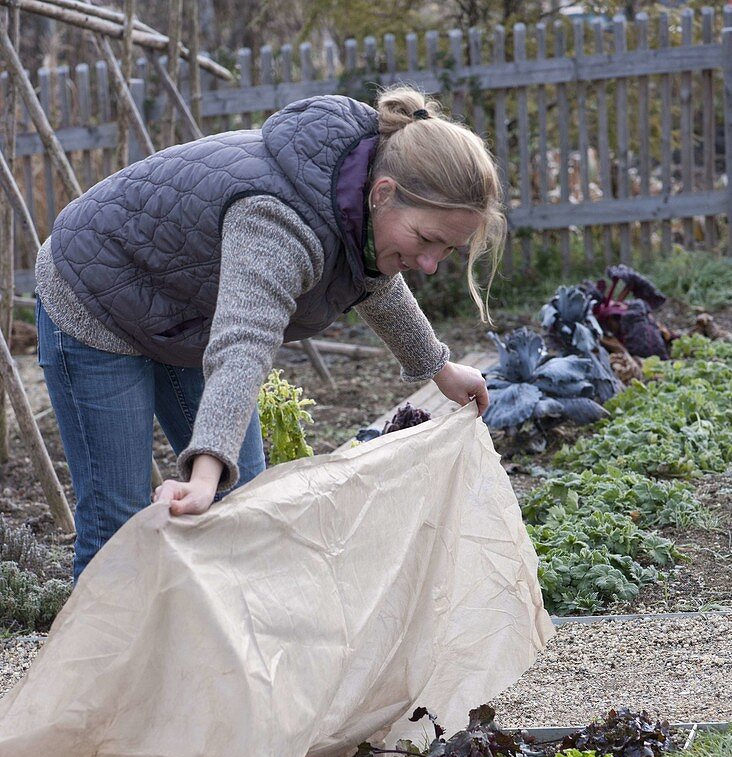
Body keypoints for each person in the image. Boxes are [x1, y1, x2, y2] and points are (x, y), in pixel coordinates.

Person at [35, 85, 505, 582]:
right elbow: (244, 342)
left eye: (447, 250)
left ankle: (216, 656)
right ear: (383, 193)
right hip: (96, 294)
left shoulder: (358, 197)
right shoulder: (279, 220)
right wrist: (207, 468)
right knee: (119, 529)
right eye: (427, 240)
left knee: (248, 506)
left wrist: (439, 368)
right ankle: (108, 660)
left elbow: (373, 281)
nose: (430, 265)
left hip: (179, 309)